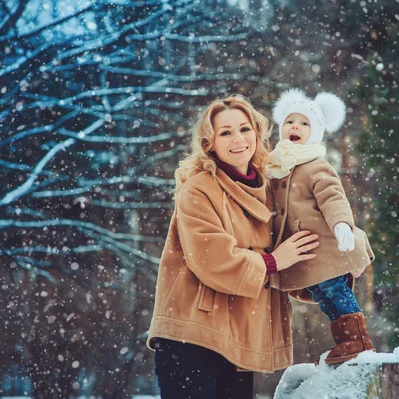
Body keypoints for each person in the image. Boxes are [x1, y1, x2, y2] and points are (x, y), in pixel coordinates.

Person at [146, 95, 319, 399]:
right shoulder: (198, 189)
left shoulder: (271, 190)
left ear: (257, 133)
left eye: (245, 129)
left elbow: (293, 255)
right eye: (225, 132)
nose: (238, 139)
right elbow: (212, 257)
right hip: (192, 337)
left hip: (240, 338)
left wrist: (336, 275)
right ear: (209, 143)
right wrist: (272, 262)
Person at [267, 88, 375, 365]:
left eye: (304, 124)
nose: (296, 127)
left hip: (323, 246)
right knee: (323, 295)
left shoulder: (316, 165)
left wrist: (342, 224)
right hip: (303, 254)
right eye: (291, 122)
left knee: (336, 290)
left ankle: (358, 340)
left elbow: (333, 197)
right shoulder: (276, 166)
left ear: (314, 132)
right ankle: (344, 341)